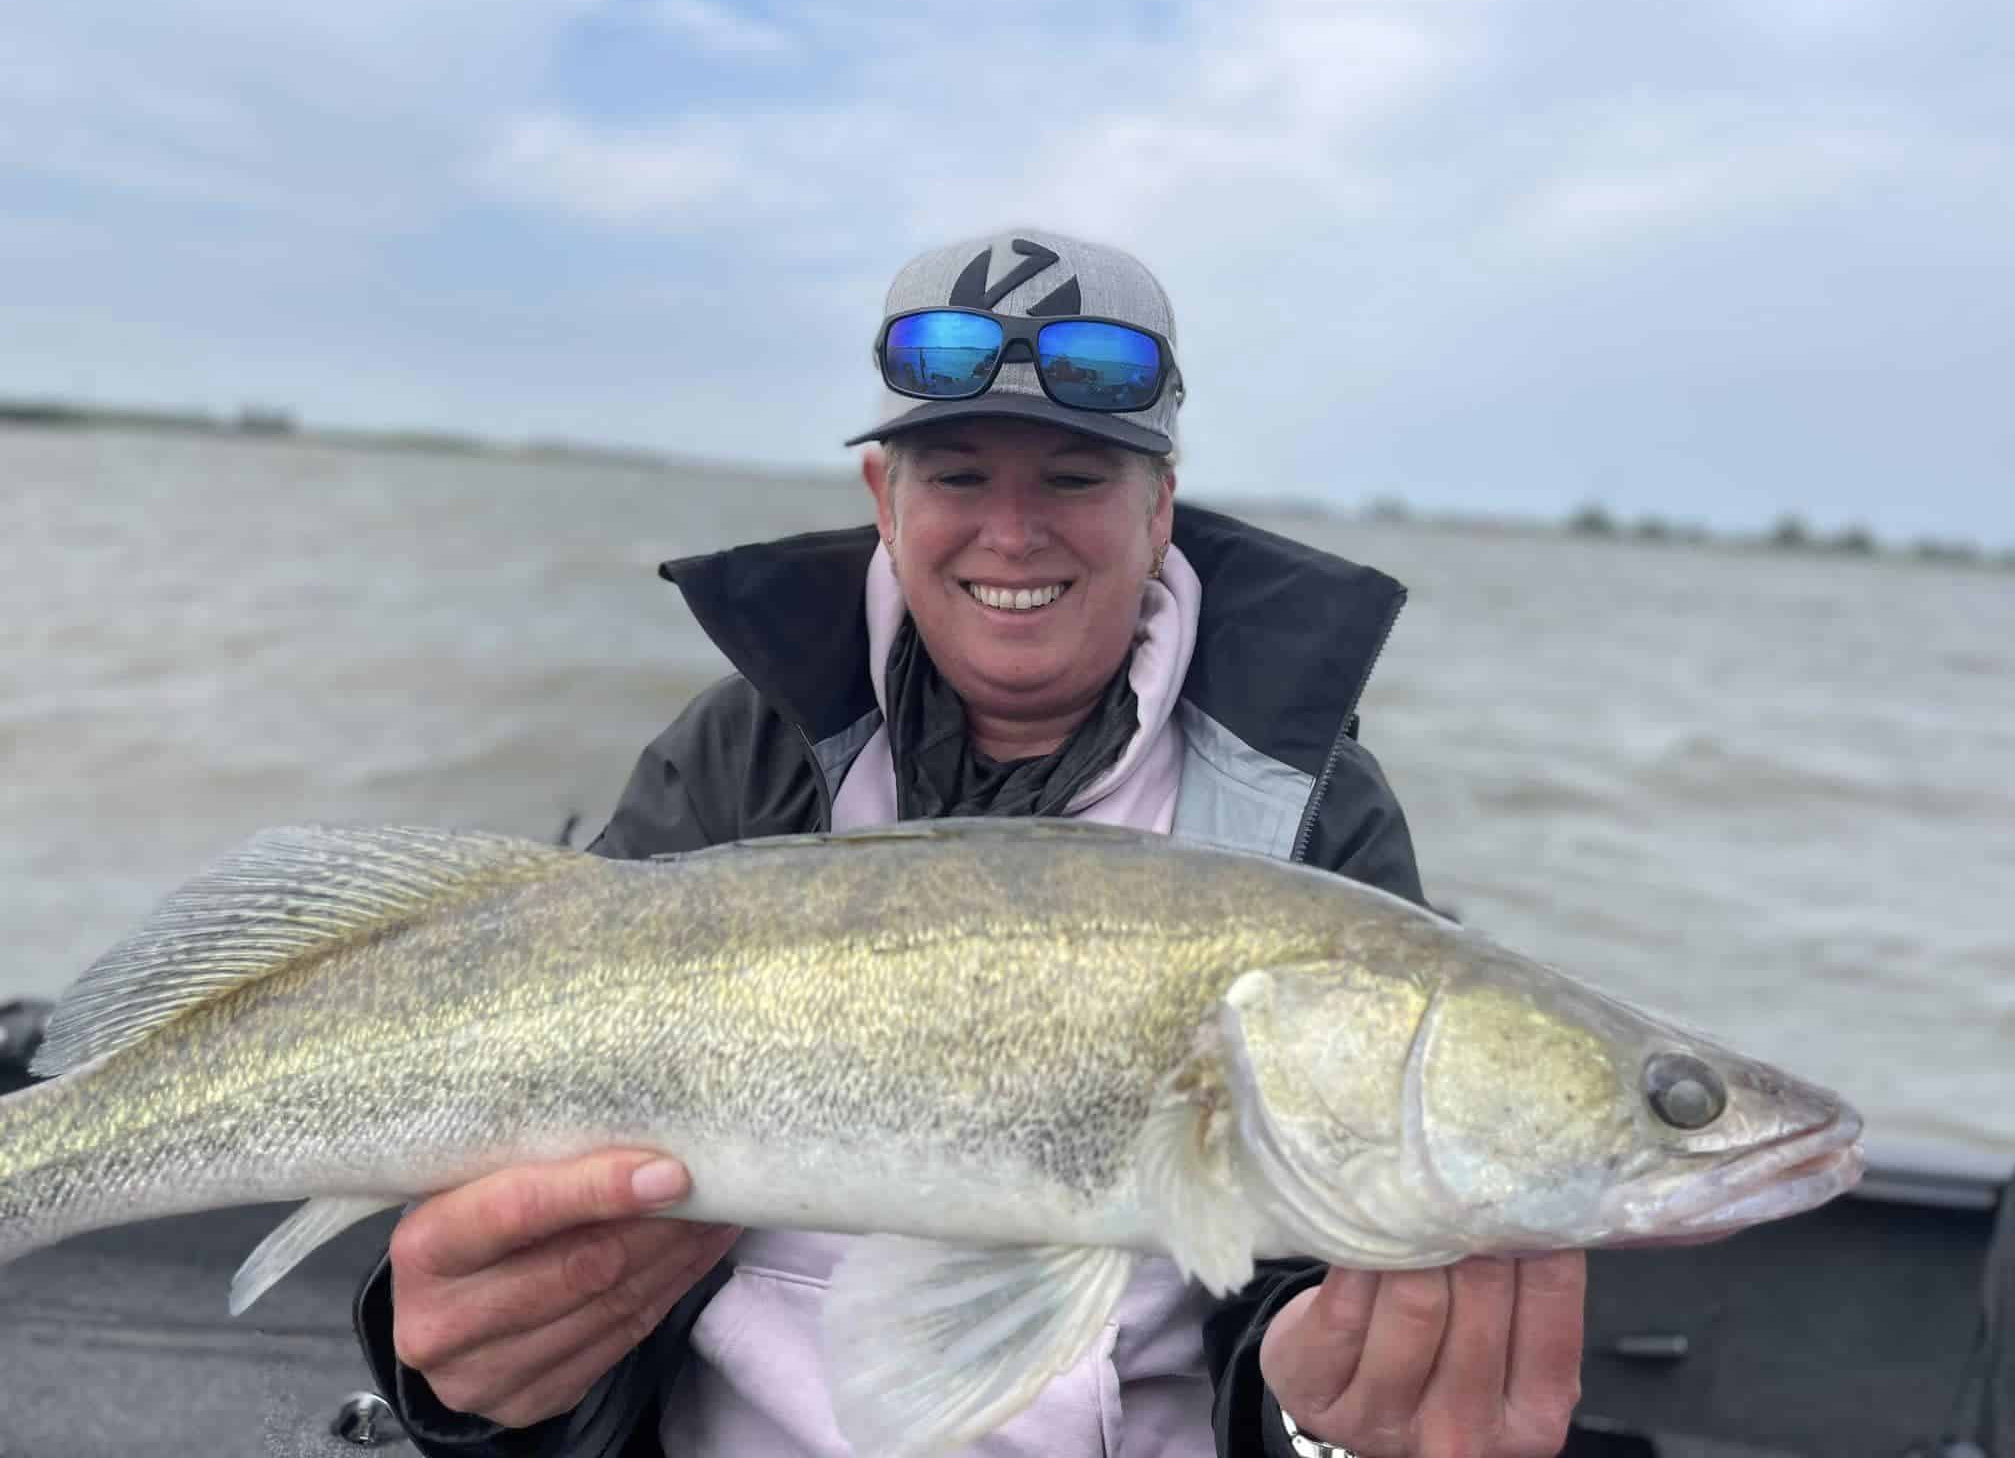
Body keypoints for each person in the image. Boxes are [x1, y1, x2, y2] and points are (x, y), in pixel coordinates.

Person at [351, 230, 1587, 1458]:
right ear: (883, 501)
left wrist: (1316, 1425)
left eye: (1073, 479)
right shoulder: (742, 755)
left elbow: (1312, 1284)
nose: (1011, 532)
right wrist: (471, 1388)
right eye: (953, 476)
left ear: (1159, 509)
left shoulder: (1313, 815)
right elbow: (522, 1156)